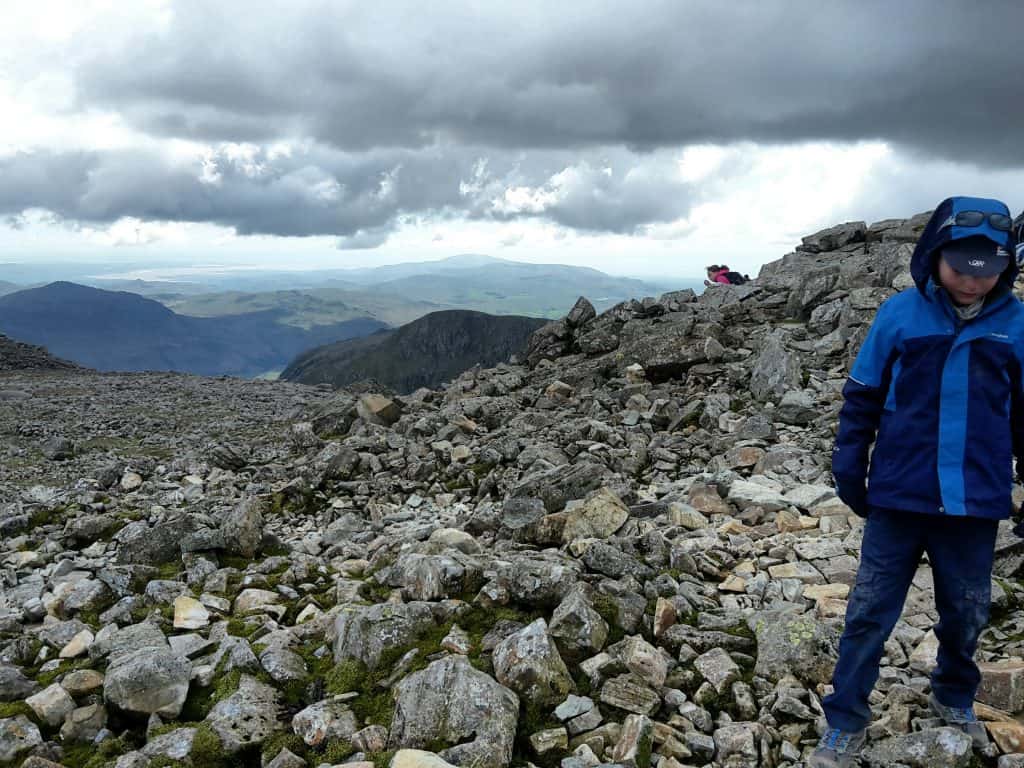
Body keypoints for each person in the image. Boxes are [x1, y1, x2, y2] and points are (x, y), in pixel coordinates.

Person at [810, 196, 1022, 768]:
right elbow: (862, 398)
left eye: (990, 271)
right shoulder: (900, 315)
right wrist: (850, 468)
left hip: (975, 502)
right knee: (870, 612)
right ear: (935, 255)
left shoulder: (1017, 326)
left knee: (968, 610)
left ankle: (954, 696)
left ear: (1008, 264)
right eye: (960, 270)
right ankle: (846, 717)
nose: (974, 283)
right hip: (900, 496)